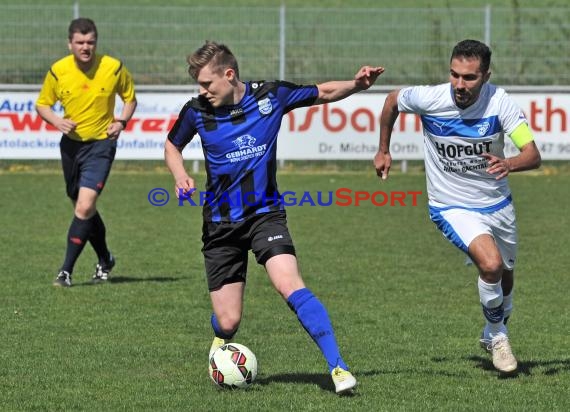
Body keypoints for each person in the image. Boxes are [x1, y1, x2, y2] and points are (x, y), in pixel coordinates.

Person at [165, 41, 383, 394]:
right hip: (220, 225)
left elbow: (324, 92)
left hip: (265, 215)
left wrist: (357, 85)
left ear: (229, 74)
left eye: (207, 84)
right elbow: (172, 145)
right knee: (228, 319)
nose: (202, 92)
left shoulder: (270, 96)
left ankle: (338, 367)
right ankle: (220, 338)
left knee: (289, 284)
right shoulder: (196, 112)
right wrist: (179, 175)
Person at [374, 39, 541, 374]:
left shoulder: (500, 102)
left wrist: (509, 163)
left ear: (486, 76)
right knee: (491, 266)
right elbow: (392, 101)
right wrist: (383, 149)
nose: (459, 85)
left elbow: (533, 155)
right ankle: (497, 335)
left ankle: (493, 327)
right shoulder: (430, 98)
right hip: (450, 205)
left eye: (469, 78)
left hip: (497, 203)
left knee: (505, 278)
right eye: (454, 75)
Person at [36, 18, 137, 287]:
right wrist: (56, 121)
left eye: (90, 42)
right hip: (70, 146)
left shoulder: (113, 67)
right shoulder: (58, 71)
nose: (86, 47)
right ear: (70, 44)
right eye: (80, 42)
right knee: (83, 207)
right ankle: (105, 259)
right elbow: (43, 104)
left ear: (96, 42)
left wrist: (121, 122)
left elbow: (130, 98)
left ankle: (65, 272)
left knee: (84, 206)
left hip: (101, 145)